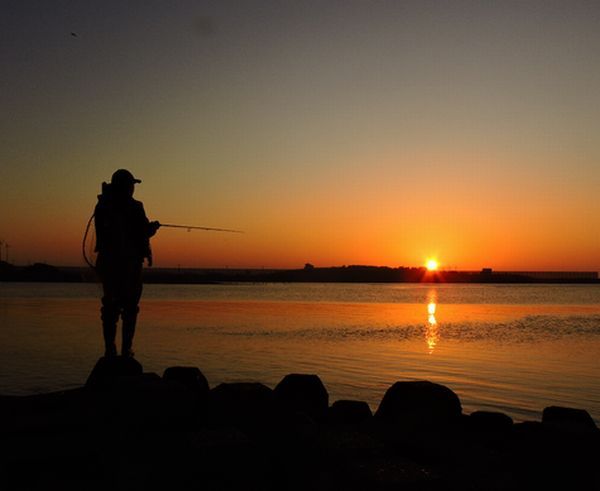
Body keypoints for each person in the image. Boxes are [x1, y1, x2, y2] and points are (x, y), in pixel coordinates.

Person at [94, 169, 160, 357]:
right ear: (126, 186)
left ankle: (110, 350)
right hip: (129, 266)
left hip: (108, 264)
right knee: (129, 308)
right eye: (131, 185)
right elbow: (142, 232)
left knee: (110, 307)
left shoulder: (102, 206)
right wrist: (152, 228)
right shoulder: (135, 207)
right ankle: (125, 350)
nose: (133, 188)